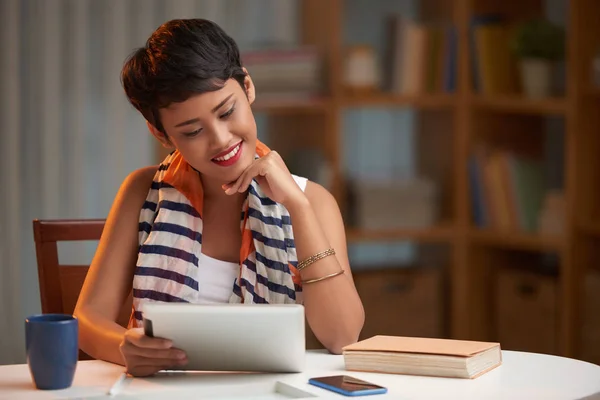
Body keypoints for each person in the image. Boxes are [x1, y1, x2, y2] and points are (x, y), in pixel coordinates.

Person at [74, 18, 365, 377]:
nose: (221, 139)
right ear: (161, 133)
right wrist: (124, 347)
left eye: (227, 111)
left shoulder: (313, 201)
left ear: (248, 87)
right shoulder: (142, 192)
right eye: (193, 130)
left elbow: (342, 336)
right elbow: (87, 319)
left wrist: (298, 208)